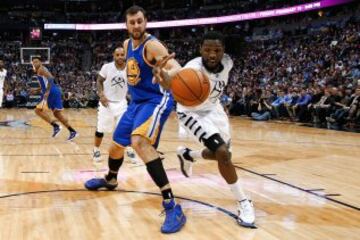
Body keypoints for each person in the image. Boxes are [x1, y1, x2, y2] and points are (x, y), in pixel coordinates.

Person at [84, 6, 186, 234]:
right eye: (132, 22)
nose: (136, 26)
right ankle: (111, 179)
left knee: (139, 142)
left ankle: (171, 204)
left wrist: (167, 76)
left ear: (146, 22)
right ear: (127, 25)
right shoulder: (128, 45)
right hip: (137, 102)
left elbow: (177, 68)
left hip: (156, 99)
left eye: (140, 21)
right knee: (116, 144)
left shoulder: (152, 45)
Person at [155, 31, 256, 228]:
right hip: (191, 112)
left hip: (214, 110)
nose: (212, 54)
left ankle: (188, 155)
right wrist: (163, 77)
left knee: (224, 156)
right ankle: (244, 202)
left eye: (217, 50)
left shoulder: (228, 62)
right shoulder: (192, 68)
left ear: (223, 51)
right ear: (200, 49)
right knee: (222, 154)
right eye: (207, 50)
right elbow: (172, 81)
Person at [92, 47, 137, 167]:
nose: (120, 57)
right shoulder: (107, 67)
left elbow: (134, 83)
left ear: (125, 55)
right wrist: (101, 95)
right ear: (114, 56)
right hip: (107, 103)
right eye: (117, 55)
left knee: (126, 128)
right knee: (101, 129)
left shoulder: (130, 68)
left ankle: (129, 149)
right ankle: (96, 149)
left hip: (122, 103)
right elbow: (99, 81)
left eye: (122, 54)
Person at [31, 56, 78, 140]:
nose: (34, 63)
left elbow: (50, 78)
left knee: (37, 110)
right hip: (53, 91)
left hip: (51, 92)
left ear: (40, 62)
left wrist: (48, 91)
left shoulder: (41, 69)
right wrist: (37, 90)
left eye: (36, 61)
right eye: (33, 62)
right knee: (57, 114)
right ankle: (72, 131)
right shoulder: (39, 70)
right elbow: (45, 83)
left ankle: (56, 126)